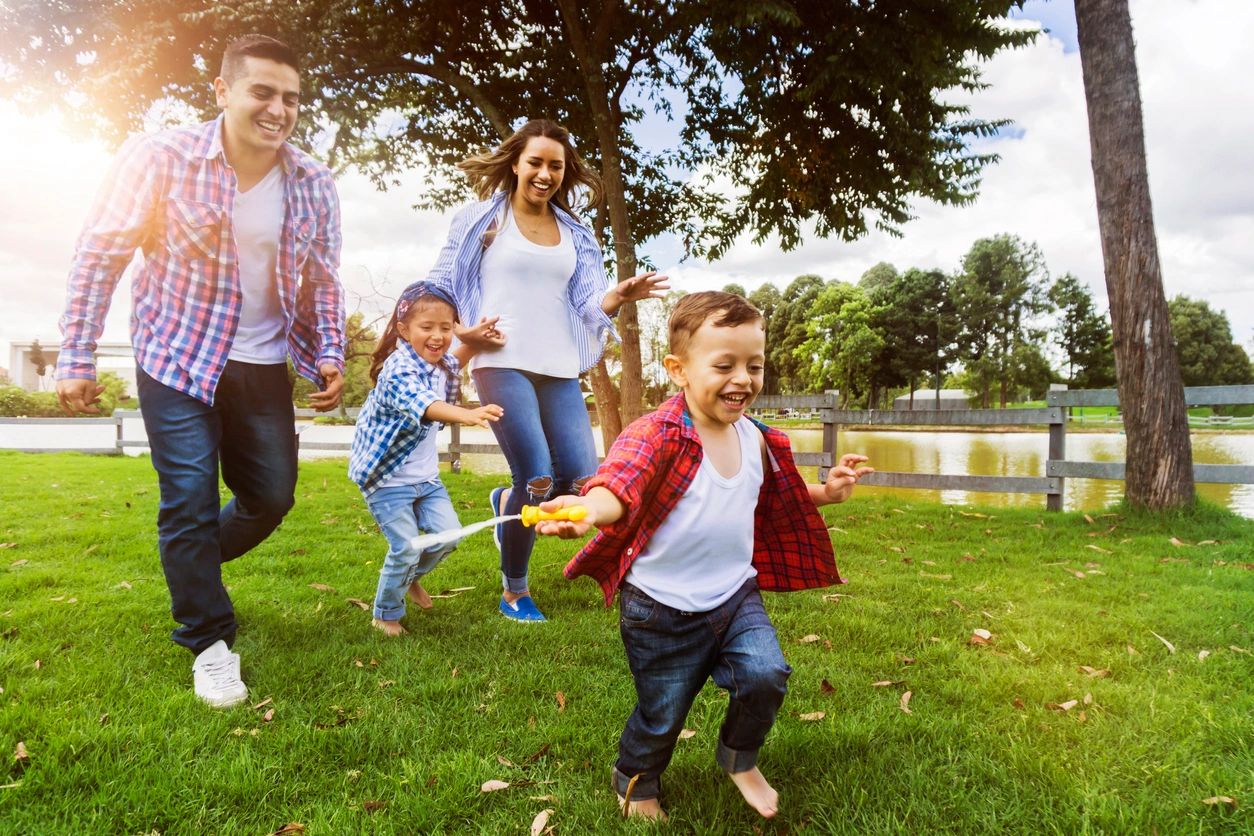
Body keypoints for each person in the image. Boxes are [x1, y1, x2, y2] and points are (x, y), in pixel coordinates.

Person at [55, 35, 346, 707]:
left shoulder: (313, 182)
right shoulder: (161, 157)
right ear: (222, 91)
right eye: (263, 92)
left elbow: (322, 281)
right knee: (186, 497)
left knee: (270, 498)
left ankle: (189, 565)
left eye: (292, 98)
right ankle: (209, 640)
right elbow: (100, 254)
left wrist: (328, 349)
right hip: (178, 356)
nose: (279, 109)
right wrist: (76, 354)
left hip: (263, 362)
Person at [536, 291, 873, 820]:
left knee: (766, 674)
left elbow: (775, 494)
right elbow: (619, 484)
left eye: (754, 365)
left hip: (735, 596)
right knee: (662, 713)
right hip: (659, 609)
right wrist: (588, 509)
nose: (743, 378)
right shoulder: (657, 433)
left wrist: (827, 493)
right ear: (678, 370)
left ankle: (739, 757)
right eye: (725, 365)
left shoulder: (758, 439)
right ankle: (636, 782)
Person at [430, 118, 668, 622]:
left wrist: (618, 296)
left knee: (581, 480)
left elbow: (586, 300)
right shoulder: (482, 220)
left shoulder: (577, 233)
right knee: (537, 479)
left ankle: (506, 504)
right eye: (535, 162)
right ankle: (514, 590)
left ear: (566, 171)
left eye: (555, 165)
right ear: (515, 163)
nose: (544, 173)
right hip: (501, 360)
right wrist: (461, 337)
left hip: (559, 363)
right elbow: (442, 282)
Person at [349, 282, 505, 636]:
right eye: (427, 327)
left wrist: (476, 340)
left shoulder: (437, 362)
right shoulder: (398, 369)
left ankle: (408, 576)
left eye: (446, 328)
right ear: (404, 331)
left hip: (425, 479)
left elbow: (456, 358)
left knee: (449, 536)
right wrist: (465, 414)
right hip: (386, 479)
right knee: (405, 547)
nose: (438, 336)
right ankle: (385, 614)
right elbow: (425, 405)